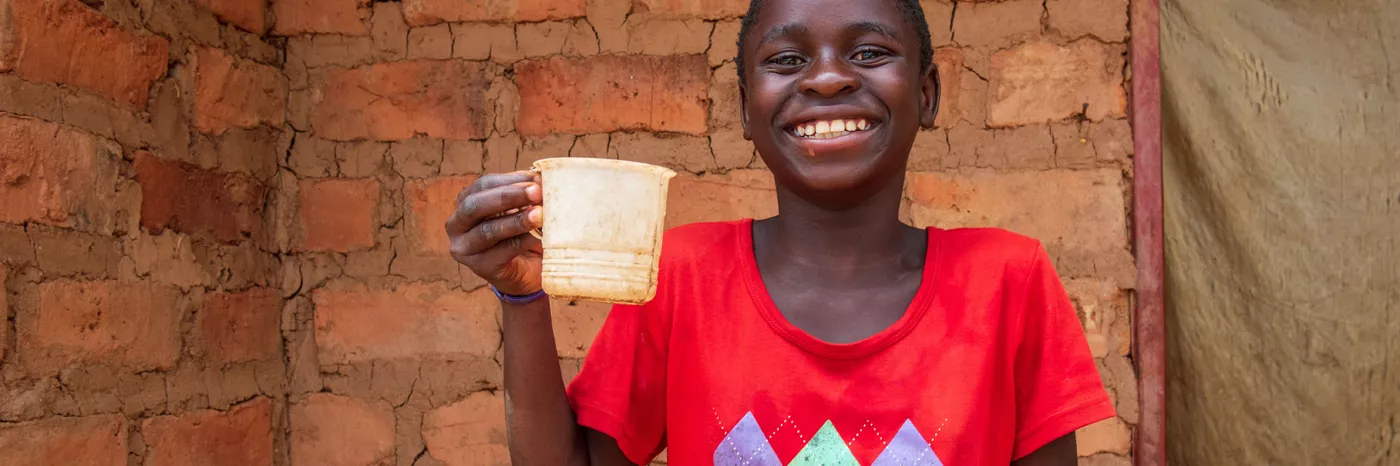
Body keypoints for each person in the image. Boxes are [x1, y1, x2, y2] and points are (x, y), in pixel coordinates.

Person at [445, 0, 1116, 464]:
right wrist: (522, 298)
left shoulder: (1007, 281)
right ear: (744, 108)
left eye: (871, 51)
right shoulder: (682, 275)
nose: (827, 77)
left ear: (929, 94)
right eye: (787, 60)